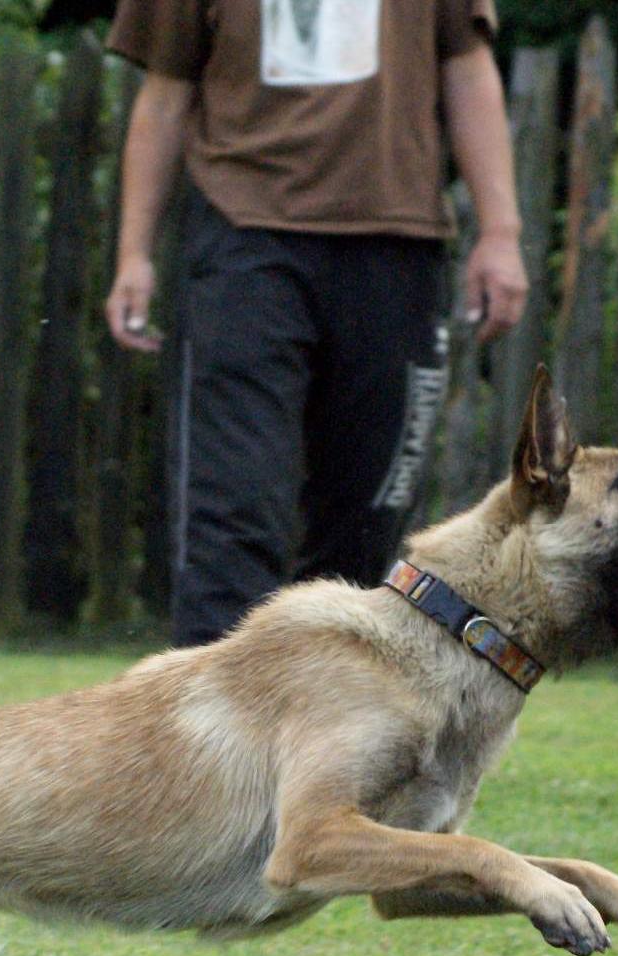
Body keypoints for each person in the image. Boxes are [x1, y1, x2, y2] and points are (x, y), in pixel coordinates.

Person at [105, 0, 528, 646]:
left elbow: (469, 70)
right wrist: (134, 253)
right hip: (245, 243)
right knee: (235, 505)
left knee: (368, 516)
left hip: (396, 241)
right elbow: (164, 96)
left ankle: (339, 727)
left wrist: (500, 232)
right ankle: (210, 735)